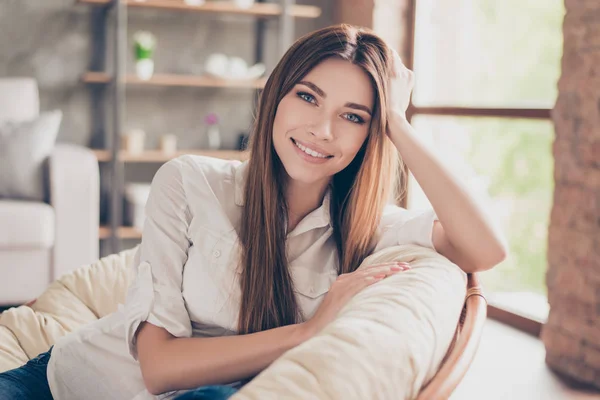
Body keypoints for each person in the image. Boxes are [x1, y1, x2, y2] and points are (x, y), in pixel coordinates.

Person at [0, 24, 507, 400]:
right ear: (275, 98)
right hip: (65, 382)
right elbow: (156, 367)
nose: (322, 130)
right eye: (308, 97)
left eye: (353, 116)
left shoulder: (363, 229)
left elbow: (485, 248)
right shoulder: (189, 181)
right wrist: (309, 332)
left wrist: (398, 121)